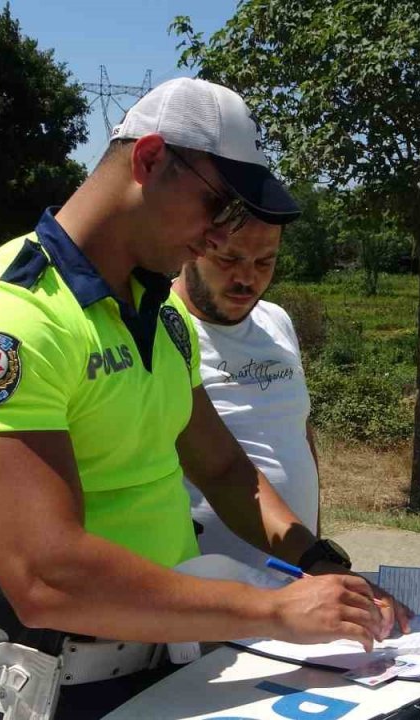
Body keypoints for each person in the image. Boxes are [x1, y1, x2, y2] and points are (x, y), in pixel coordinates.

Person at [0, 78, 408, 719]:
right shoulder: (8, 319)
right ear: (148, 160)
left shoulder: (159, 318)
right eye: (217, 207)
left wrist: (317, 562)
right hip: (58, 688)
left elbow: (225, 470)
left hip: (174, 667)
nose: (214, 239)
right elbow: (45, 575)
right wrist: (275, 610)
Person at [173, 218, 320, 568]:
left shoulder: (277, 320)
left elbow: (299, 431)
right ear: (192, 245)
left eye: (264, 262)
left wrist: (315, 550)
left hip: (295, 574)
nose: (246, 279)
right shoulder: (159, 326)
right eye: (229, 259)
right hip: (206, 584)